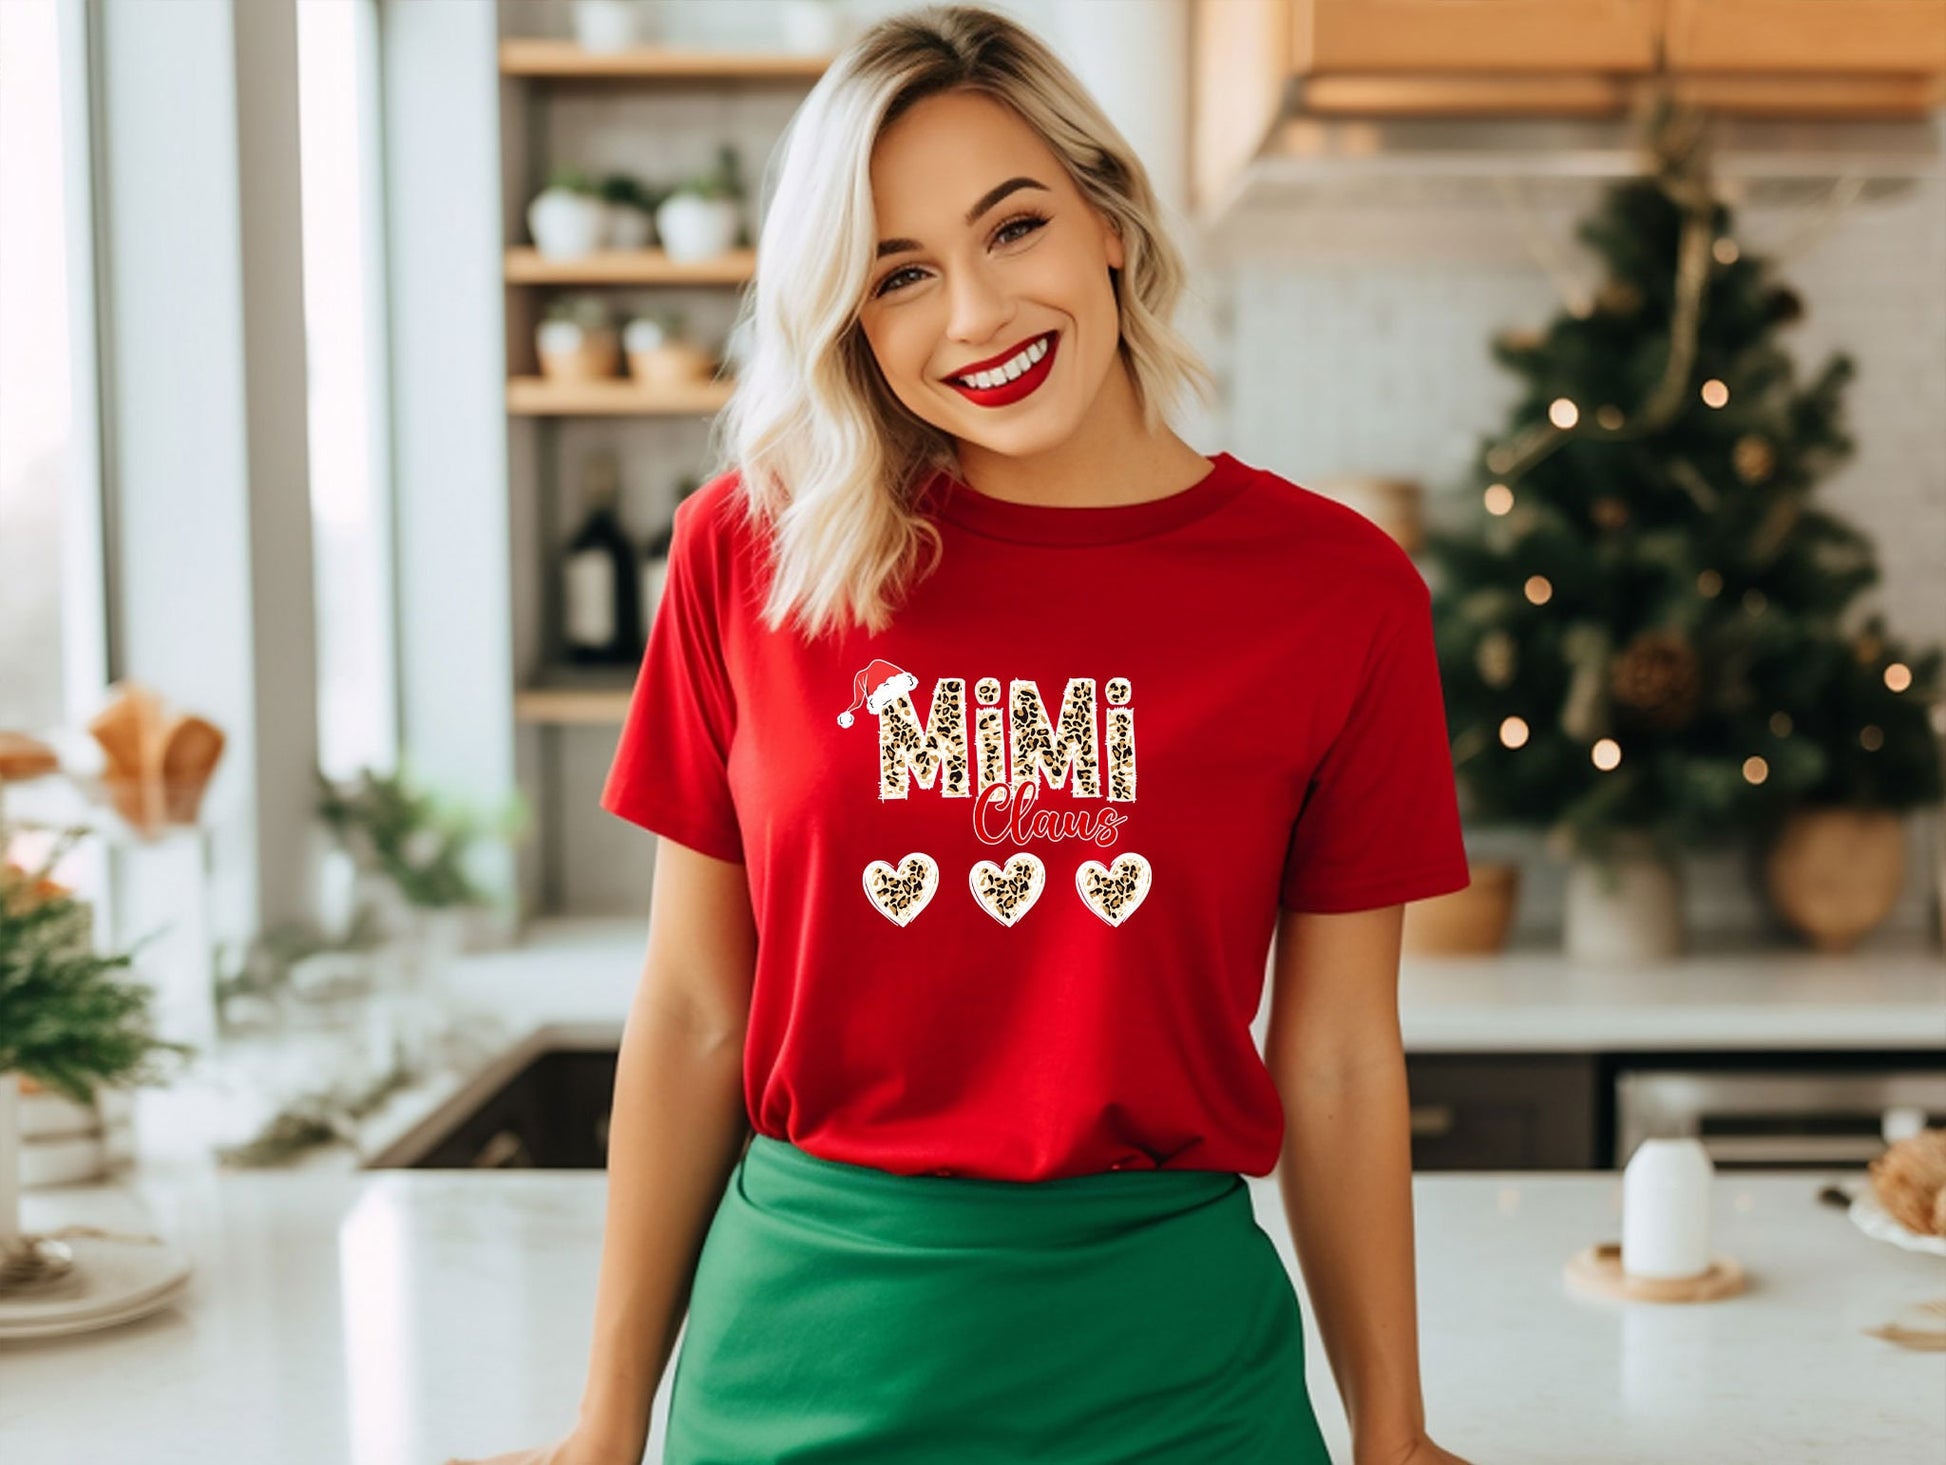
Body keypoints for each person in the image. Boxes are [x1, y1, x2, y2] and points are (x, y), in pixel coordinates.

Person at [452, 6, 1477, 1464]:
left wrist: (1394, 1432)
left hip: (1175, 1382)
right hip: (794, 1371)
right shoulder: (748, 554)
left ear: (1106, 218)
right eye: (898, 277)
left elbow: (1336, 1059)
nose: (976, 317)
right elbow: (690, 1008)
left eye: (1012, 229)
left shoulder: (1333, 589)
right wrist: (603, 1425)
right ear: (850, 323)